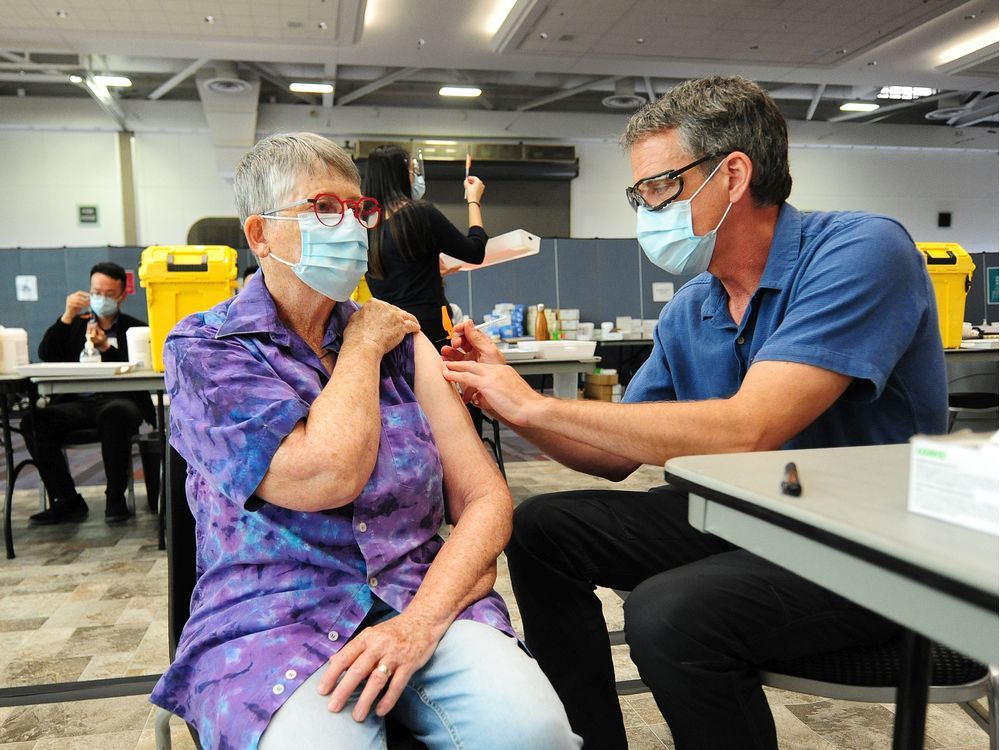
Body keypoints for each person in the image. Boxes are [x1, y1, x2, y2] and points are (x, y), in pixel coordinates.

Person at [441, 76, 947, 750]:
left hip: (870, 549)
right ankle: (587, 741)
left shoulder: (861, 252)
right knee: (540, 528)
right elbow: (614, 455)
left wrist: (534, 402)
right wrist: (508, 399)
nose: (645, 209)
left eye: (657, 187)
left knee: (669, 615)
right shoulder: (694, 308)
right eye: (638, 194)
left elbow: (749, 427)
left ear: (733, 175)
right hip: (751, 520)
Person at [149, 132, 580, 750]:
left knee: (532, 734)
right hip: (271, 613)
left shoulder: (404, 343)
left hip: (421, 596)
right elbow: (324, 475)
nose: (350, 225)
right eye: (324, 207)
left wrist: (420, 624)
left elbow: (486, 497)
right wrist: (359, 346)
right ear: (260, 235)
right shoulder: (208, 351)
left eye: (359, 209)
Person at [21, 261, 155, 525]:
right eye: (96, 292)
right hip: (78, 402)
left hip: (121, 402)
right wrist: (67, 316)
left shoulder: (133, 329)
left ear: (121, 295)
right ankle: (67, 500)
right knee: (34, 423)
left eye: (108, 294)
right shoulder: (74, 324)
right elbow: (47, 355)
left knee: (114, 415)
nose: (101, 298)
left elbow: (141, 369)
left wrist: (106, 347)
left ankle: (115, 499)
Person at [363, 144, 487, 347]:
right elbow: (475, 251)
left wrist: (429, 270)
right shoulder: (420, 214)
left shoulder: (365, 223)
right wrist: (473, 200)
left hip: (387, 333)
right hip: (427, 329)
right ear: (402, 175)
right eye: (412, 171)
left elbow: (395, 276)